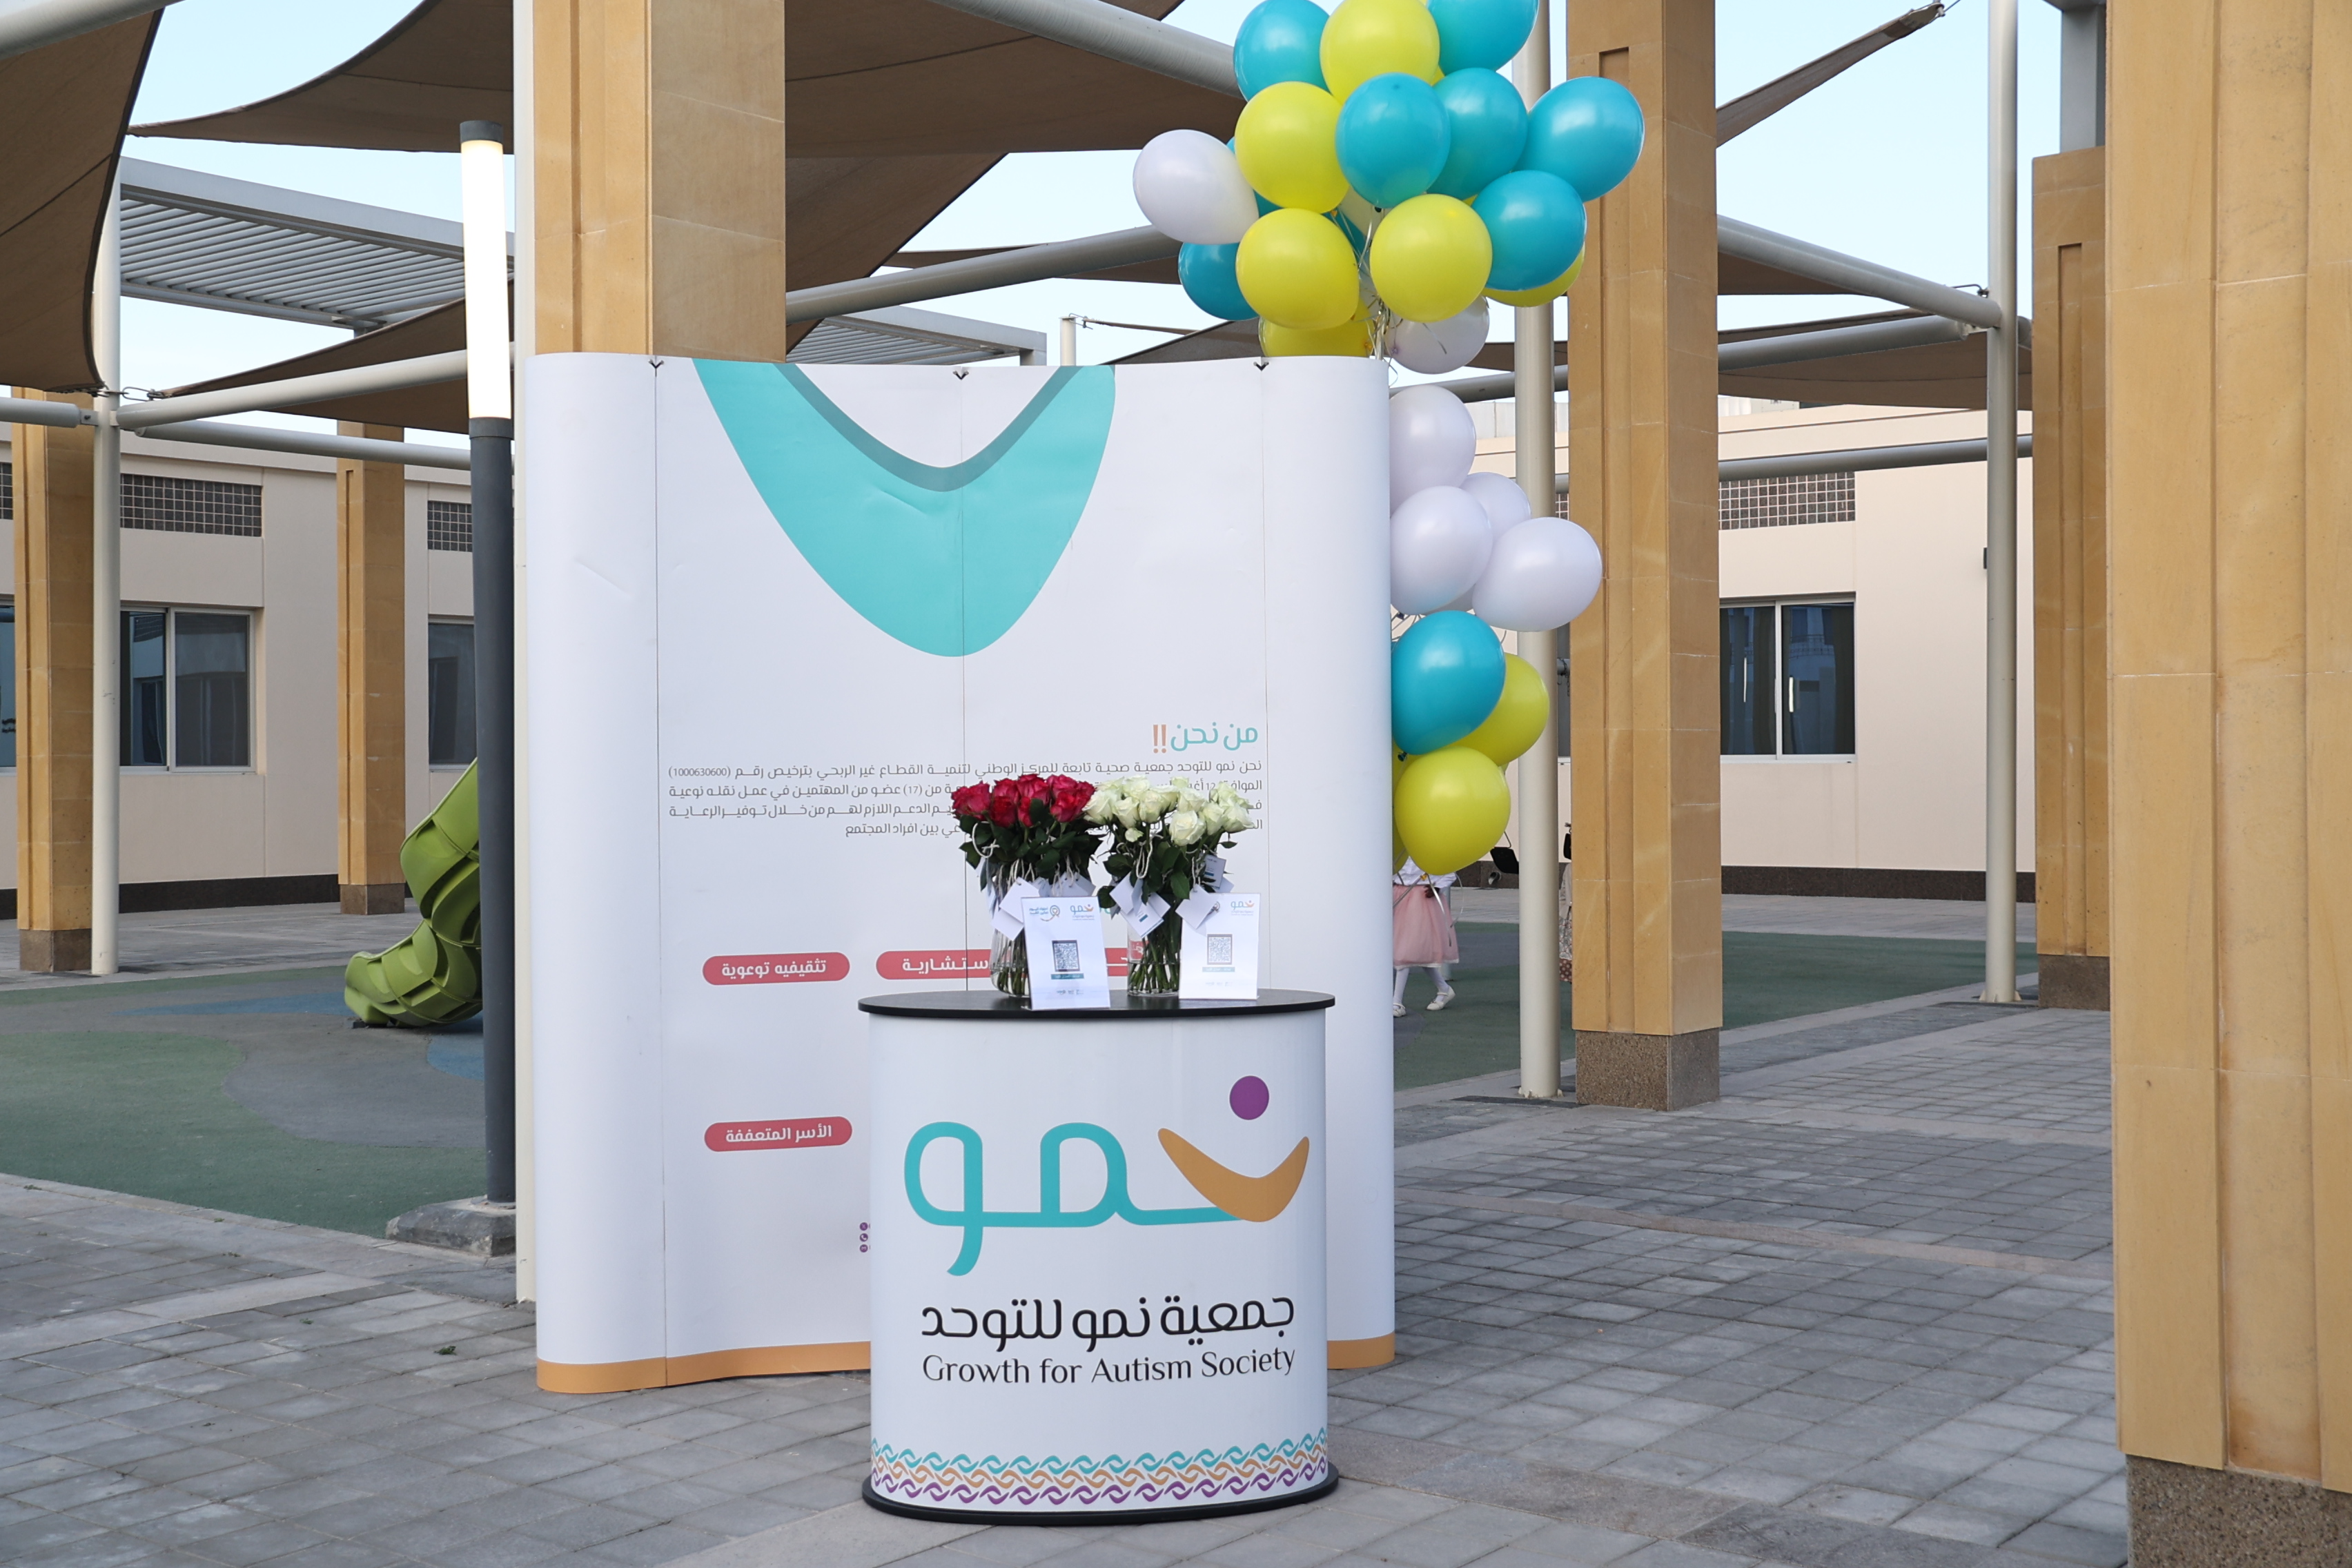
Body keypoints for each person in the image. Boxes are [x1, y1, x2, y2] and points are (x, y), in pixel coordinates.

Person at [1392, 856, 1459, 1017]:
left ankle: (1396, 1002)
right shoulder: (1396, 849)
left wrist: (1438, 887)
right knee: (1417, 952)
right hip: (1399, 895)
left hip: (1422, 899)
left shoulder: (1432, 850)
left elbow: (1450, 872)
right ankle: (1444, 988)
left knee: (1405, 950)